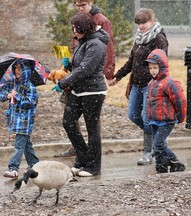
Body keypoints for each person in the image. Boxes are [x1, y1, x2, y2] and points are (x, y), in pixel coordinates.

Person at [56, 0, 116, 157]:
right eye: (77, 5)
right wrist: (70, 64)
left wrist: (108, 72)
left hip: (90, 83)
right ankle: (80, 149)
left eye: (83, 5)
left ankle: (92, 154)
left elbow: (107, 49)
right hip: (77, 80)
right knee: (69, 120)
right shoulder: (79, 22)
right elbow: (79, 48)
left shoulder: (101, 22)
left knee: (92, 124)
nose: (80, 8)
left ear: (91, 2)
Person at [52, 12, 108, 177]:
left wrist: (63, 83)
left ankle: (93, 167)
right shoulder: (83, 42)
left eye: (76, 29)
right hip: (78, 90)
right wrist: (69, 64)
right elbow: (79, 66)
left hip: (93, 92)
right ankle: (83, 159)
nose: (73, 32)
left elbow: (86, 69)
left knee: (92, 129)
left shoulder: (96, 44)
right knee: (68, 122)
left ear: (84, 28)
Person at [110, 8, 168, 165]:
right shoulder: (139, 38)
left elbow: (162, 63)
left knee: (146, 118)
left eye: (144, 22)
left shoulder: (159, 38)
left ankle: (148, 152)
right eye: (138, 23)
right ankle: (158, 140)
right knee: (132, 115)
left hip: (151, 85)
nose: (141, 26)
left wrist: (157, 82)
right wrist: (118, 76)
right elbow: (131, 61)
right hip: (136, 84)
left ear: (151, 20)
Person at [145, 49, 186, 173]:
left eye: (155, 68)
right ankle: (161, 166)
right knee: (155, 146)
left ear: (162, 67)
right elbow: (150, 103)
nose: (152, 71)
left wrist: (181, 116)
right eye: (150, 68)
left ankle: (174, 160)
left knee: (158, 144)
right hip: (154, 120)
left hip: (167, 120)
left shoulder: (170, 83)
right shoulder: (151, 83)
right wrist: (148, 117)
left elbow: (180, 101)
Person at [0, 60, 39, 179]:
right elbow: (1, 91)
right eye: (15, 68)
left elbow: (31, 102)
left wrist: (17, 96)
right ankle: (34, 164)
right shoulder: (13, 83)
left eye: (20, 69)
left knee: (19, 145)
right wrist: (7, 95)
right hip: (15, 119)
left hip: (25, 121)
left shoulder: (30, 87)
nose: (17, 71)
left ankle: (13, 168)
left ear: (26, 71)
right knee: (26, 144)